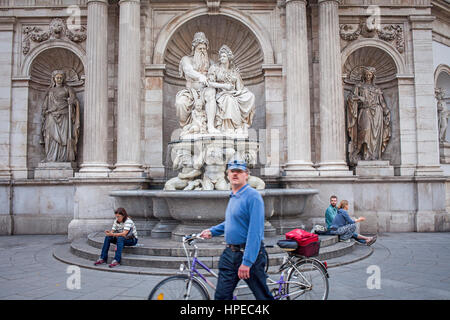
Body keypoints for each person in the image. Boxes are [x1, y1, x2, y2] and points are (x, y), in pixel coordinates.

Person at [200, 159, 273, 300]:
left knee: (262, 297)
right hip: (230, 255)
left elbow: (255, 232)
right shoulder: (234, 195)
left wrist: (247, 262)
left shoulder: (253, 197)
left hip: (249, 254)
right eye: (232, 171)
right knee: (221, 296)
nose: (235, 174)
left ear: (246, 175)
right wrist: (212, 231)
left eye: (239, 171)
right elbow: (232, 222)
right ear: (227, 174)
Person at [175, 32, 219, 134]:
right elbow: (188, 70)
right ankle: (186, 126)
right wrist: (200, 76)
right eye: (200, 49)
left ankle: (211, 126)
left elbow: (217, 75)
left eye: (204, 49)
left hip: (206, 91)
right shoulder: (186, 59)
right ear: (194, 49)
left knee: (211, 92)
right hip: (191, 92)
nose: (202, 51)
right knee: (180, 103)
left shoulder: (211, 62)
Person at [207, 45, 256, 135]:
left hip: (233, 93)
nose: (222, 58)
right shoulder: (215, 68)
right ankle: (229, 127)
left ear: (229, 58)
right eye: (221, 56)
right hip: (220, 94)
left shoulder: (234, 72)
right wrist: (224, 86)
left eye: (224, 56)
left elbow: (239, 87)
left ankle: (243, 124)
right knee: (229, 100)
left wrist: (238, 92)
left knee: (250, 96)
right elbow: (209, 83)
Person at [346, 66, 391, 165]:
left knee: (376, 134)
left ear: (373, 76)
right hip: (365, 110)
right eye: (366, 74)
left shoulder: (376, 88)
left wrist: (386, 110)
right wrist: (359, 98)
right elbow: (350, 98)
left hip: (377, 112)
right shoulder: (359, 86)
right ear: (363, 75)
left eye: (370, 74)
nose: (368, 76)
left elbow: (382, 101)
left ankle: (375, 156)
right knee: (365, 131)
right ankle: (365, 155)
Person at [40, 69, 80, 162]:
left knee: (64, 137)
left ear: (63, 78)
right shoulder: (50, 91)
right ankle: (50, 157)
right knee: (49, 137)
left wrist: (72, 101)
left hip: (64, 115)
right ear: (53, 79)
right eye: (57, 77)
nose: (59, 79)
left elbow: (75, 101)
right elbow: (45, 104)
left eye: (61, 78)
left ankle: (64, 157)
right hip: (51, 115)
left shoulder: (68, 89)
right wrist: (44, 111)